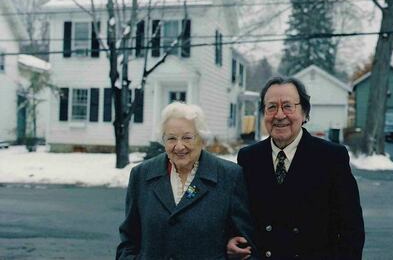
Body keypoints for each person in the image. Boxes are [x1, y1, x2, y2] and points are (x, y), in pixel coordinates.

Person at [227, 76, 365, 259]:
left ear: (305, 113)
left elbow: (351, 231)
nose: (279, 115)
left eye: (287, 106)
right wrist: (230, 239)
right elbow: (238, 217)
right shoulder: (249, 157)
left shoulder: (331, 158)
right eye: (271, 107)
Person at [116, 101, 256, 260]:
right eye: (171, 138)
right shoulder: (141, 175)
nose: (179, 146)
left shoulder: (229, 176)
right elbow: (128, 241)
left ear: (202, 140)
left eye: (187, 138)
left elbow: (245, 245)